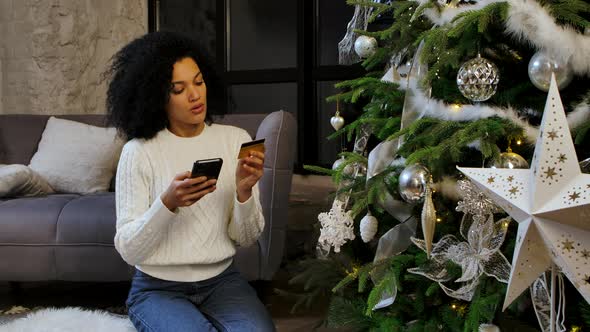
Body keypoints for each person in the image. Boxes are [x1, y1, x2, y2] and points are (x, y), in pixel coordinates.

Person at [104, 31, 275, 332]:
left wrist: (243, 193)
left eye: (199, 82)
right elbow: (129, 250)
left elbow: (246, 238)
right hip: (157, 288)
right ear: (157, 96)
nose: (195, 95)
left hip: (222, 281)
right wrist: (168, 204)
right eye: (178, 89)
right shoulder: (138, 152)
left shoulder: (236, 140)